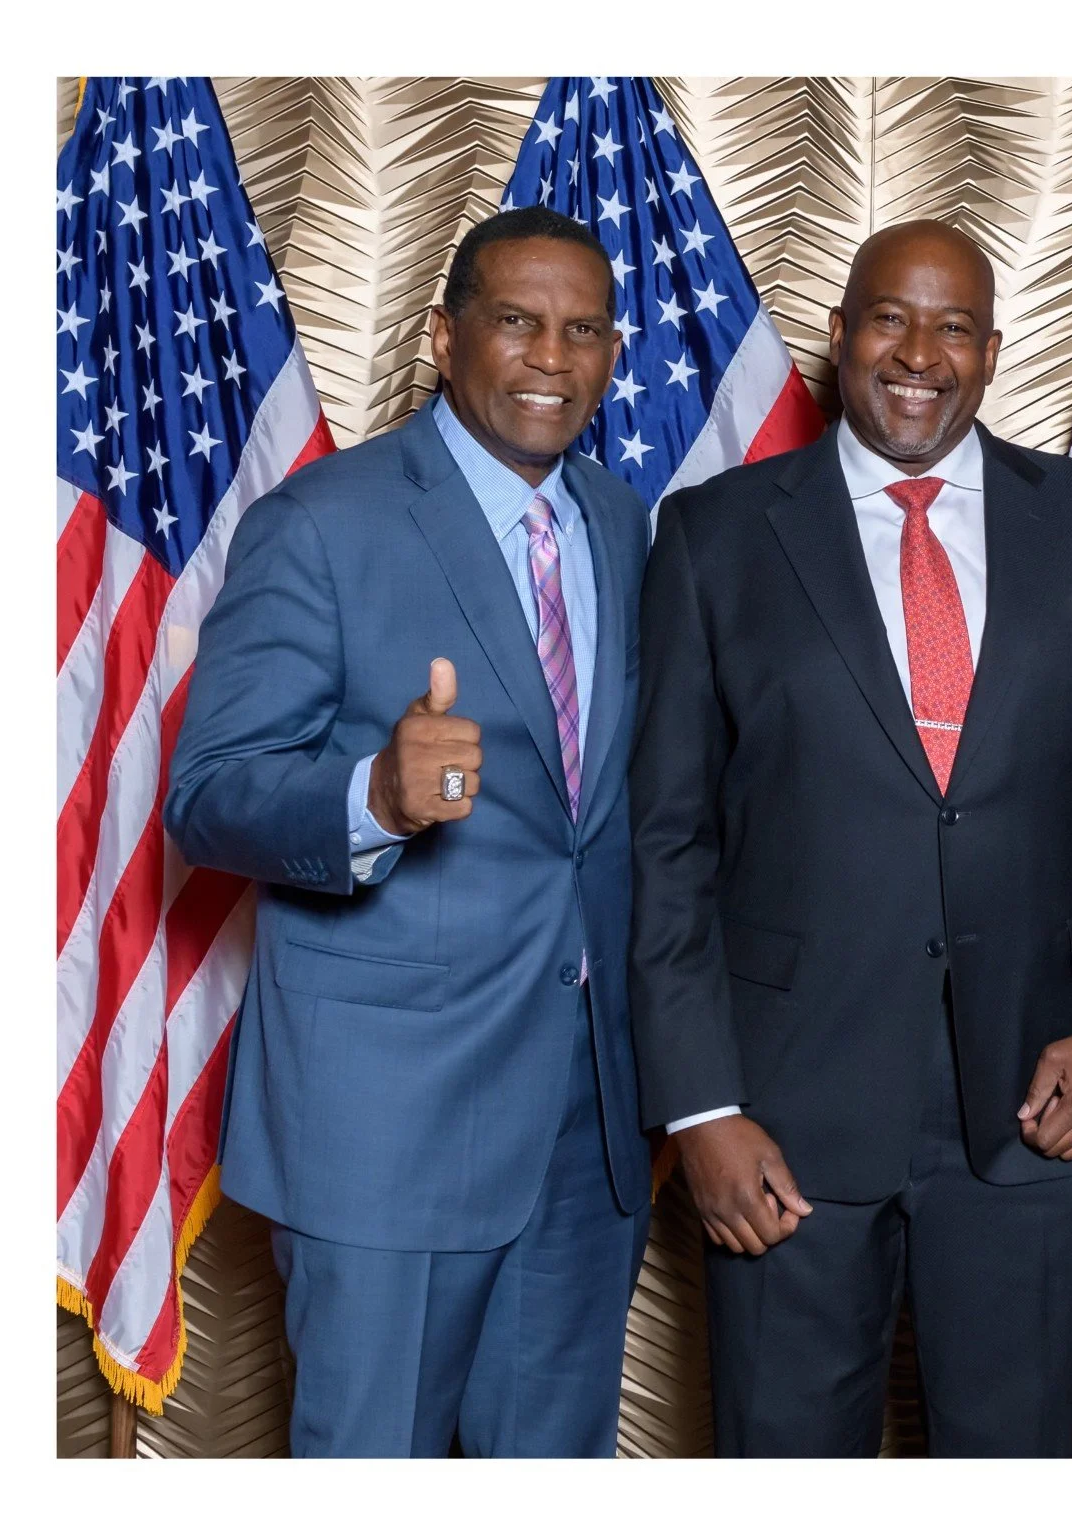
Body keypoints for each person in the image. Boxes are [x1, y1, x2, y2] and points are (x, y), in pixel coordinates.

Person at [630, 219, 1072, 1457]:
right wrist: (700, 1106)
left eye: (954, 327)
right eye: (891, 317)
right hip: (782, 1116)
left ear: (993, 353)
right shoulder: (716, 536)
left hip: (1040, 1106)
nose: (919, 353)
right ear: (839, 337)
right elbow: (668, 839)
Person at [166, 206, 651, 1457]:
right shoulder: (325, 523)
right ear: (444, 337)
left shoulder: (624, 524)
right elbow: (207, 790)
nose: (553, 356)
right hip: (386, 1127)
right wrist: (371, 799)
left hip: (585, 1121)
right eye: (517, 322)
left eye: (585, 329)